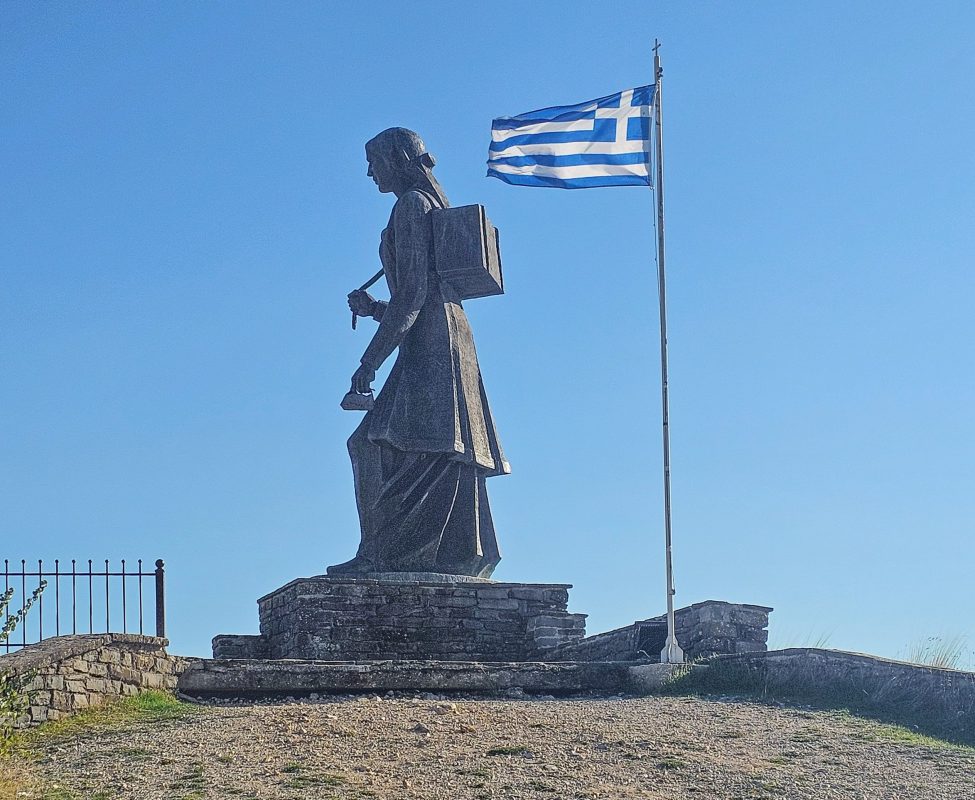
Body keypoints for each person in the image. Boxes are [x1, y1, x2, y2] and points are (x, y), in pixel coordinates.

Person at [328, 128, 509, 578]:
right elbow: (419, 296)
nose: (370, 172)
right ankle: (442, 552)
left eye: (374, 162)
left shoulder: (410, 206)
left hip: (433, 345)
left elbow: (413, 296)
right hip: (446, 337)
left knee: (374, 445)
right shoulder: (424, 206)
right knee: (433, 451)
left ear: (397, 160)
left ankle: (382, 554)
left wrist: (367, 364)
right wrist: (375, 310)